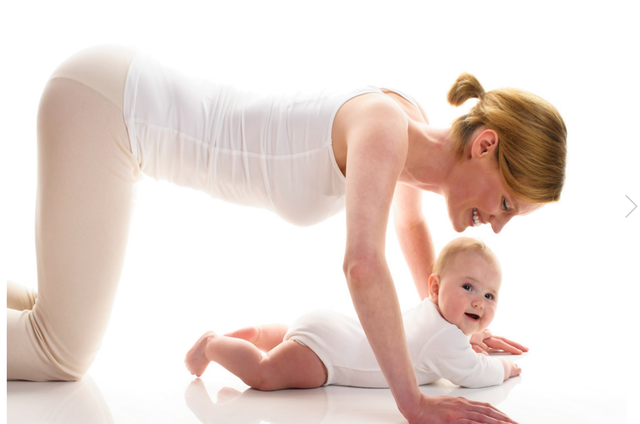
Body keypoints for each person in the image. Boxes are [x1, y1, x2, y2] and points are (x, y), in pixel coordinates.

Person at [6, 44, 566, 423]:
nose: (497, 225)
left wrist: (447, 325)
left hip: (117, 102)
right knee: (59, 352)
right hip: (109, 112)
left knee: (46, 309)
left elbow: (410, 223)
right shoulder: (385, 129)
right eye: (506, 203)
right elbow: (362, 264)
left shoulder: (406, 125)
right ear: (485, 146)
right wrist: (412, 403)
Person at [185, 237, 524, 390]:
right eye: (468, 288)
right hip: (327, 357)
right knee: (265, 374)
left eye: (490, 295)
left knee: (292, 340)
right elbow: (477, 374)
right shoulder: (446, 340)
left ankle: (264, 335)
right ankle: (212, 345)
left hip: (330, 328)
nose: (479, 302)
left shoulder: (431, 314)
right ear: (434, 287)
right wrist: (505, 367)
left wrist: (472, 335)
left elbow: (446, 340)